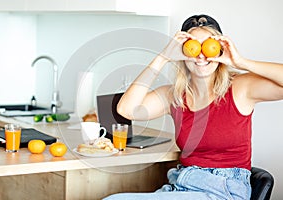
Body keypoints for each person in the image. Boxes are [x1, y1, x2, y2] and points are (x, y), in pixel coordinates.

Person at [103, 14, 283, 200]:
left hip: (224, 190)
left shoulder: (239, 88)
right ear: (183, 52)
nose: (201, 55)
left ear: (219, 51)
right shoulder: (174, 96)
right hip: (183, 184)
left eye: (208, 46)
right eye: (193, 47)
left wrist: (241, 62)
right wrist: (163, 57)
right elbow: (125, 109)